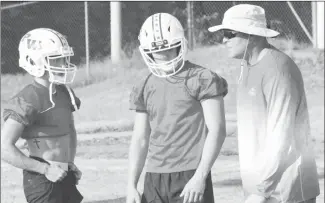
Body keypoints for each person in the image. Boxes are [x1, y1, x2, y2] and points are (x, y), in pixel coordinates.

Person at [208, 4, 320, 203]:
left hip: (287, 192)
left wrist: (261, 192)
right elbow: (251, 124)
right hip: (263, 189)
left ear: (251, 34)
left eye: (229, 33)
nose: (224, 40)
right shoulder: (246, 66)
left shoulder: (279, 69)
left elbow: (282, 137)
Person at [126, 13, 228, 203]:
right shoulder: (144, 85)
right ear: (147, 52)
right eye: (157, 52)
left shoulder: (201, 78)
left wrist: (200, 177)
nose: (164, 56)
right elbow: (140, 137)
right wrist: (131, 184)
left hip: (190, 173)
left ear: (180, 45)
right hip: (154, 176)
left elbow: (218, 130)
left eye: (169, 49)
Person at [1, 28, 83, 203]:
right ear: (35, 61)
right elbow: (3, 147)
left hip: (63, 173)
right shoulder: (28, 99)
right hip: (42, 179)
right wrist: (44, 169)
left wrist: (69, 163)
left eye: (64, 58)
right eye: (56, 59)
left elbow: (70, 131)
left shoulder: (64, 92)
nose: (63, 64)